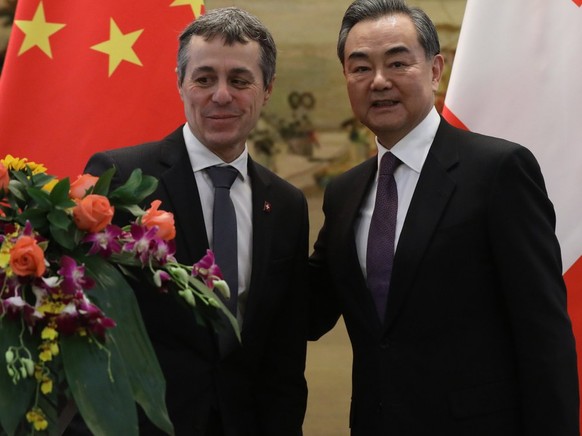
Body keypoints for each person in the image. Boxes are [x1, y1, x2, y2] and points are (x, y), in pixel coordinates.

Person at [308, 0, 579, 435]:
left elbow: (543, 333)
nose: (379, 81)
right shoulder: (344, 193)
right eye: (360, 68)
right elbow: (308, 310)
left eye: (397, 62)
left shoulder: (497, 171)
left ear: (435, 69)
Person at [84, 7, 308, 436]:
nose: (221, 95)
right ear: (180, 83)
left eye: (240, 80)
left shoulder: (286, 204)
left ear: (267, 90)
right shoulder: (121, 178)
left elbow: (284, 348)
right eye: (204, 79)